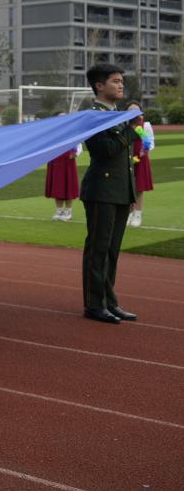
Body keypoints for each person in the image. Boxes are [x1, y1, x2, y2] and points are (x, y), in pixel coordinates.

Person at [78, 64, 138, 324]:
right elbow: (106, 150)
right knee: (98, 249)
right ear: (99, 86)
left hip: (119, 191)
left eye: (121, 80)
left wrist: (129, 192)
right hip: (101, 190)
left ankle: (109, 302)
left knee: (112, 251)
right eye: (115, 81)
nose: (121, 85)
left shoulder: (115, 115)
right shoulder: (93, 116)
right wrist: (130, 126)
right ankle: (94, 304)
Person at [45, 111, 81, 221]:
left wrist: (75, 153)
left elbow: (78, 144)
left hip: (68, 162)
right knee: (57, 186)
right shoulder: (52, 132)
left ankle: (68, 211)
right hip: (55, 161)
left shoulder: (72, 131)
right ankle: (59, 211)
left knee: (68, 186)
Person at [125, 100, 154, 228]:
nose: (133, 112)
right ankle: (129, 213)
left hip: (140, 159)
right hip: (127, 159)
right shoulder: (123, 125)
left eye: (136, 110)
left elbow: (150, 141)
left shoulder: (145, 125)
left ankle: (137, 214)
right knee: (127, 187)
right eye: (130, 110)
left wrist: (144, 151)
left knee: (139, 188)